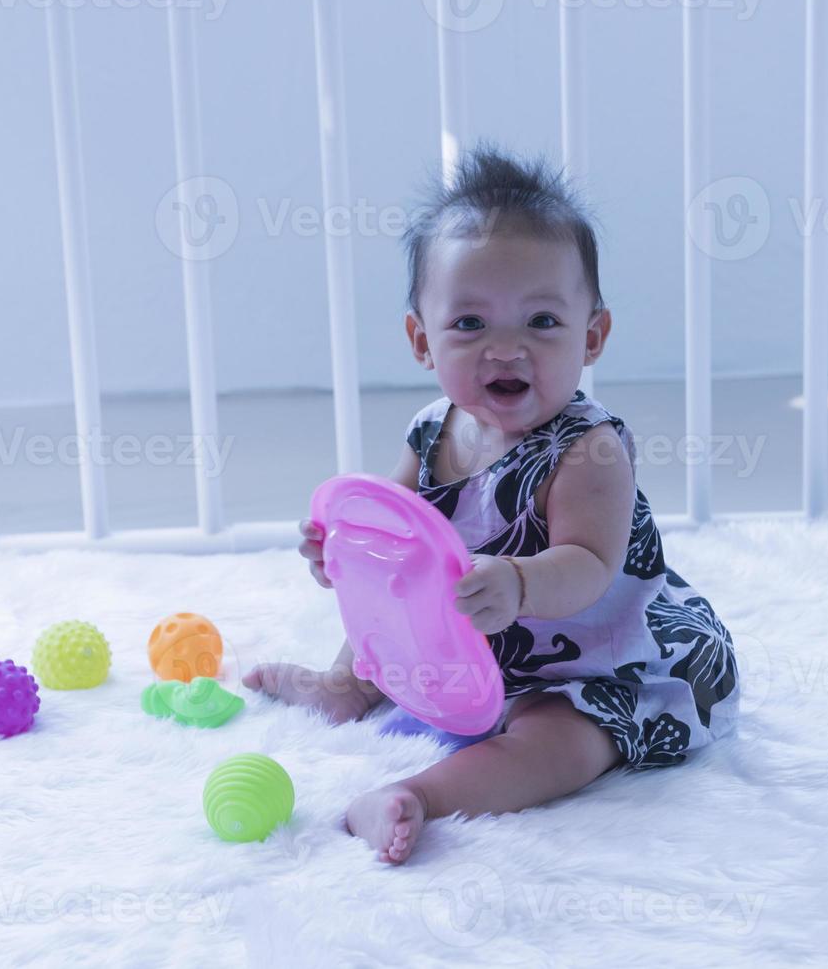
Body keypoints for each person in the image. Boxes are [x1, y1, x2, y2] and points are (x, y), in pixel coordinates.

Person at [244, 143, 741, 864]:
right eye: (470, 325)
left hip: (598, 658)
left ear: (591, 335)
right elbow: (391, 530)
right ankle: (346, 686)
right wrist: (341, 551)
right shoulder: (431, 428)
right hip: (472, 644)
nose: (505, 349)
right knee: (395, 594)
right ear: (421, 339)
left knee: (562, 742)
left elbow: (590, 564)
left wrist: (520, 582)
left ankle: (419, 795)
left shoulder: (587, 448)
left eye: (540, 322)